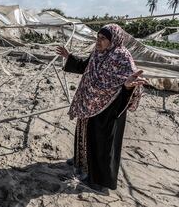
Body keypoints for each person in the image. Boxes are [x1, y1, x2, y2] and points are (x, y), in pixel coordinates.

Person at [56, 24, 146, 192]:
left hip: (109, 109)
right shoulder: (98, 53)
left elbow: (131, 81)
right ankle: (80, 161)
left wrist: (127, 86)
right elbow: (84, 66)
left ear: (114, 40)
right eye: (97, 37)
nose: (98, 41)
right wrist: (69, 57)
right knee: (85, 134)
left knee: (102, 142)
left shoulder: (122, 57)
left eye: (103, 38)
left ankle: (98, 181)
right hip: (89, 104)